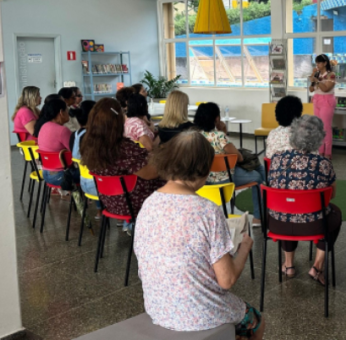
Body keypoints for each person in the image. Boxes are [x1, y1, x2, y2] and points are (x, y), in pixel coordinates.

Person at [135, 131, 265, 339]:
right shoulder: (207, 210)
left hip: (158, 307)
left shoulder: (148, 204)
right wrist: (244, 248)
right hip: (200, 314)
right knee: (256, 321)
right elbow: (227, 280)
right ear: (205, 168)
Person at [267, 115, 341, 285]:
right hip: (314, 224)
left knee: (285, 207)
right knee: (335, 212)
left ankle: (289, 265)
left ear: (292, 136)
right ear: (318, 139)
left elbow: (272, 184)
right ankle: (317, 266)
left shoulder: (277, 159)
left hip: (278, 223)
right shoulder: (324, 163)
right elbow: (332, 195)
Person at [80, 98, 165, 234]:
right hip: (132, 202)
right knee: (173, 181)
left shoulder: (89, 145)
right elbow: (152, 173)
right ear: (117, 121)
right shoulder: (123, 149)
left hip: (109, 202)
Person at [194, 102, 265, 226]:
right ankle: (258, 218)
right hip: (225, 178)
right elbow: (240, 158)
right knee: (258, 177)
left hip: (205, 180)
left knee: (258, 169)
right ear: (217, 118)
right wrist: (223, 132)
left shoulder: (195, 137)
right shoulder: (219, 136)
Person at [34, 99, 79, 187]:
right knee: (91, 175)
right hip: (61, 176)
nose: (68, 113)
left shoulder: (44, 126)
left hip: (46, 173)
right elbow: (76, 152)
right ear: (61, 112)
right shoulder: (62, 130)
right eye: (67, 110)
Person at [70, 100, 102, 219]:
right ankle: (124, 220)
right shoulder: (95, 137)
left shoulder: (74, 135)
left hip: (83, 183)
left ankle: (100, 211)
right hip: (97, 186)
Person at [308, 54, 336, 159]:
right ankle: (320, 151)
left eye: (319, 62)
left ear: (325, 63)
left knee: (326, 127)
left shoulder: (331, 74)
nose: (317, 65)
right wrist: (313, 76)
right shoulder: (317, 74)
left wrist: (317, 81)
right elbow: (311, 89)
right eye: (316, 63)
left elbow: (326, 88)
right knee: (318, 126)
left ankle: (327, 152)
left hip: (327, 101)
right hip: (317, 100)